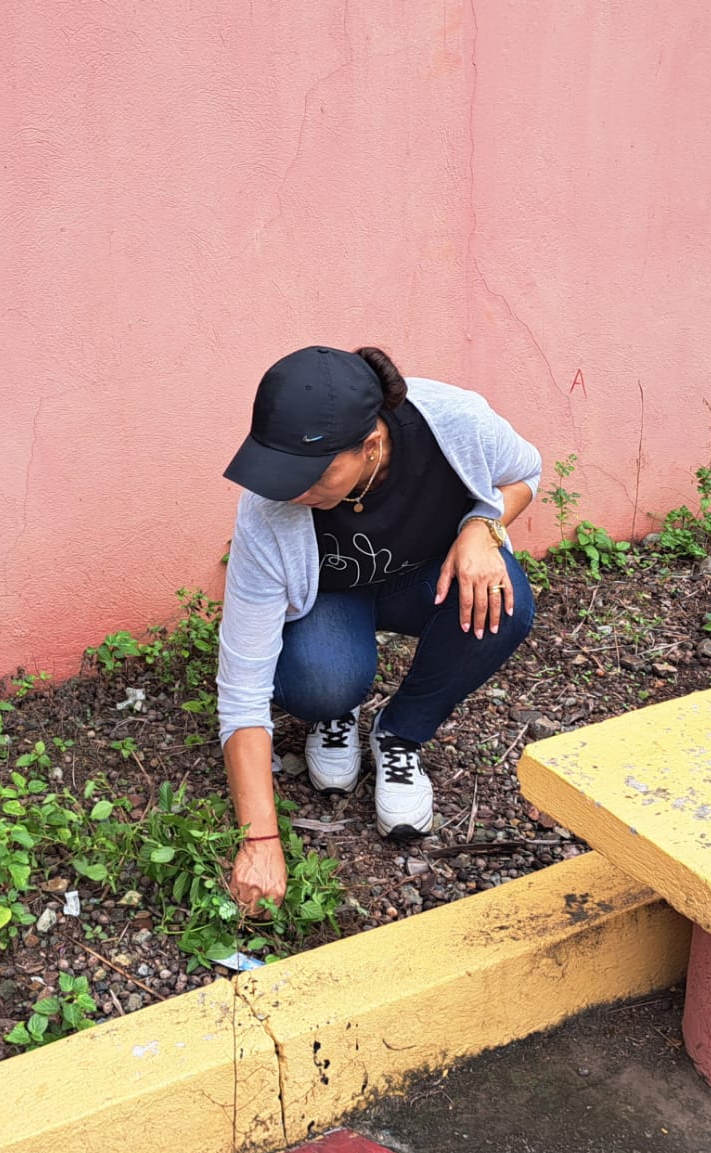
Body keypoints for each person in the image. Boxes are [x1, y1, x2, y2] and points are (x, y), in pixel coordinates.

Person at [217, 345, 542, 912]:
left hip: (426, 582)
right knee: (321, 681)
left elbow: (525, 473)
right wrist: (261, 840)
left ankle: (398, 735)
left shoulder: (455, 421)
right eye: (282, 469)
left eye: (312, 475)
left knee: (503, 604)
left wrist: (482, 527)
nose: (290, 490)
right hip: (330, 599)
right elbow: (243, 684)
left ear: (370, 447)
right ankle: (335, 710)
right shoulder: (269, 507)